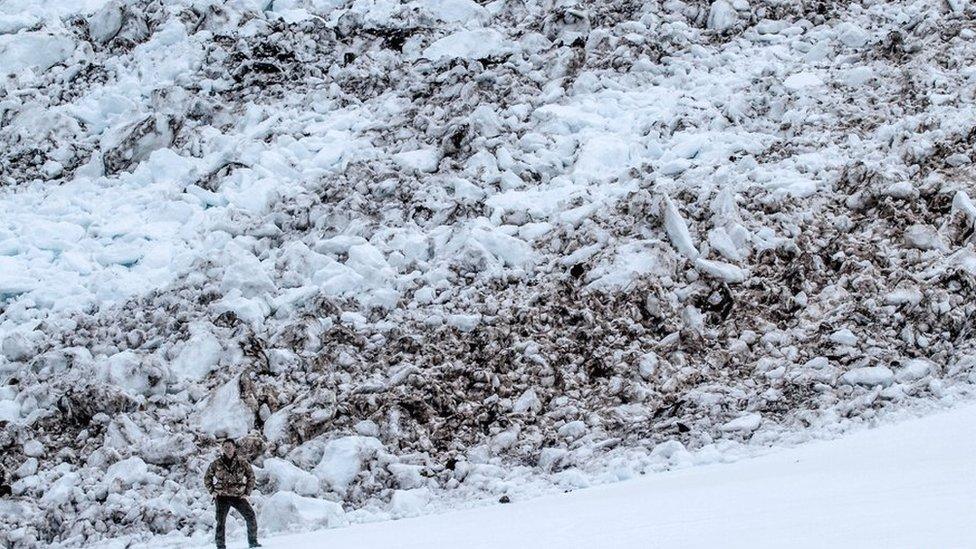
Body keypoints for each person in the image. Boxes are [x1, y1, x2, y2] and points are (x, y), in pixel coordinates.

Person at [204, 439, 261, 549]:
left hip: (238, 496)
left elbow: (251, 477)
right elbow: (207, 477)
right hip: (222, 496)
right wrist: (212, 491)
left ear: (234, 448)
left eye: (230, 447)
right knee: (220, 522)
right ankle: (220, 546)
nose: (228, 449)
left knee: (251, 516)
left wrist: (247, 493)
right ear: (222, 449)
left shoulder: (242, 462)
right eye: (225, 447)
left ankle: (253, 542)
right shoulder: (216, 463)